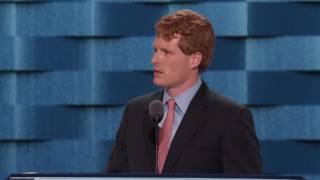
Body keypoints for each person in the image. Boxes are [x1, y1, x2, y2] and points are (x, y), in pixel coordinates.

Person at [107, 10, 262, 174]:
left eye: (166, 52)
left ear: (195, 59)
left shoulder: (230, 117)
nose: (154, 60)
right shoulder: (135, 111)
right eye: (156, 50)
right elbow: (115, 176)